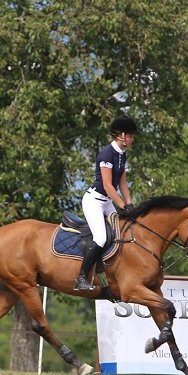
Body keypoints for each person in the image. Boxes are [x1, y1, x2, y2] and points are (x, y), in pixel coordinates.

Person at [74, 116, 137, 291]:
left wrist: (129, 202)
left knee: (121, 231)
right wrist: (122, 206)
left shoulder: (122, 154)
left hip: (108, 202)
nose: (133, 139)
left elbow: (122, 183)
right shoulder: (106, 154)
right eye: (131, 135)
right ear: (121, 135)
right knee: (101, 237)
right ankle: (81, 277)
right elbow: (109, 186)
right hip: (94, 201)